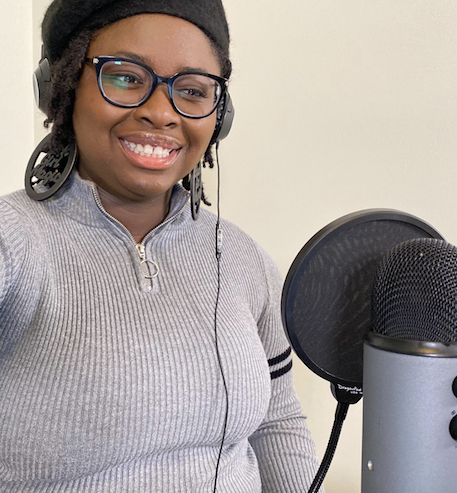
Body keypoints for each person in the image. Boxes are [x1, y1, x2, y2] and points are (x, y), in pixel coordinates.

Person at [0, 1, 321, 491]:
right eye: (126, 78)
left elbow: (276, 422)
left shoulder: (241, 257)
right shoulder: (12, 241)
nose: (161, 112)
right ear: (61, 90)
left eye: (192, 91)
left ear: (221, 114)